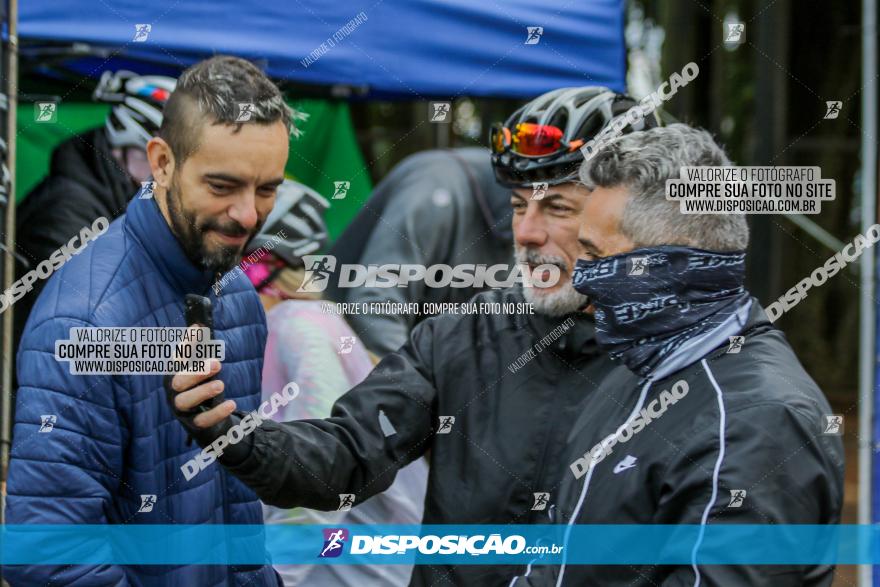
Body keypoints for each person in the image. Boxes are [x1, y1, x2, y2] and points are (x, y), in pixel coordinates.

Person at [166, 87, 658, 586]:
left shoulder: (695, 353)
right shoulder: (466, 332)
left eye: (556, 207)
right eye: (516, 205)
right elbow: (348, 452)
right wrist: (235, 435)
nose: (526, 232)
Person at [511, 124, 844, 586]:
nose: (581, 279)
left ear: (669, 266)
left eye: (594, 254)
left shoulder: (756, 423)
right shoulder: (637, 369)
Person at [6, 55, 293, 586]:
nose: (249, 215)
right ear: (160, 162)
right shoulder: (86, 322)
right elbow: (47, 553)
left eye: (268, 188)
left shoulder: (236, 294)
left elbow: (238, 513)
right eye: (223, 185)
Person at [241, 180, 428, 586]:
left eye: (237, 265)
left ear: (264, 268)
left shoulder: (301, 328)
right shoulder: (282, 326)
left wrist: (277, 575)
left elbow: (320, 478)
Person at [13, 71, 176, 351]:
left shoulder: (113, 196)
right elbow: (69, 337)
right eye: (160, 164)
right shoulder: (67, 211)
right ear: (126, 148)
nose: (166, 179)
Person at [327, 147, 514, 356]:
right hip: (339, 351)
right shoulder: (432, 191)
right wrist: (415, 382)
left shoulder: (519, 218)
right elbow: (374, 305)